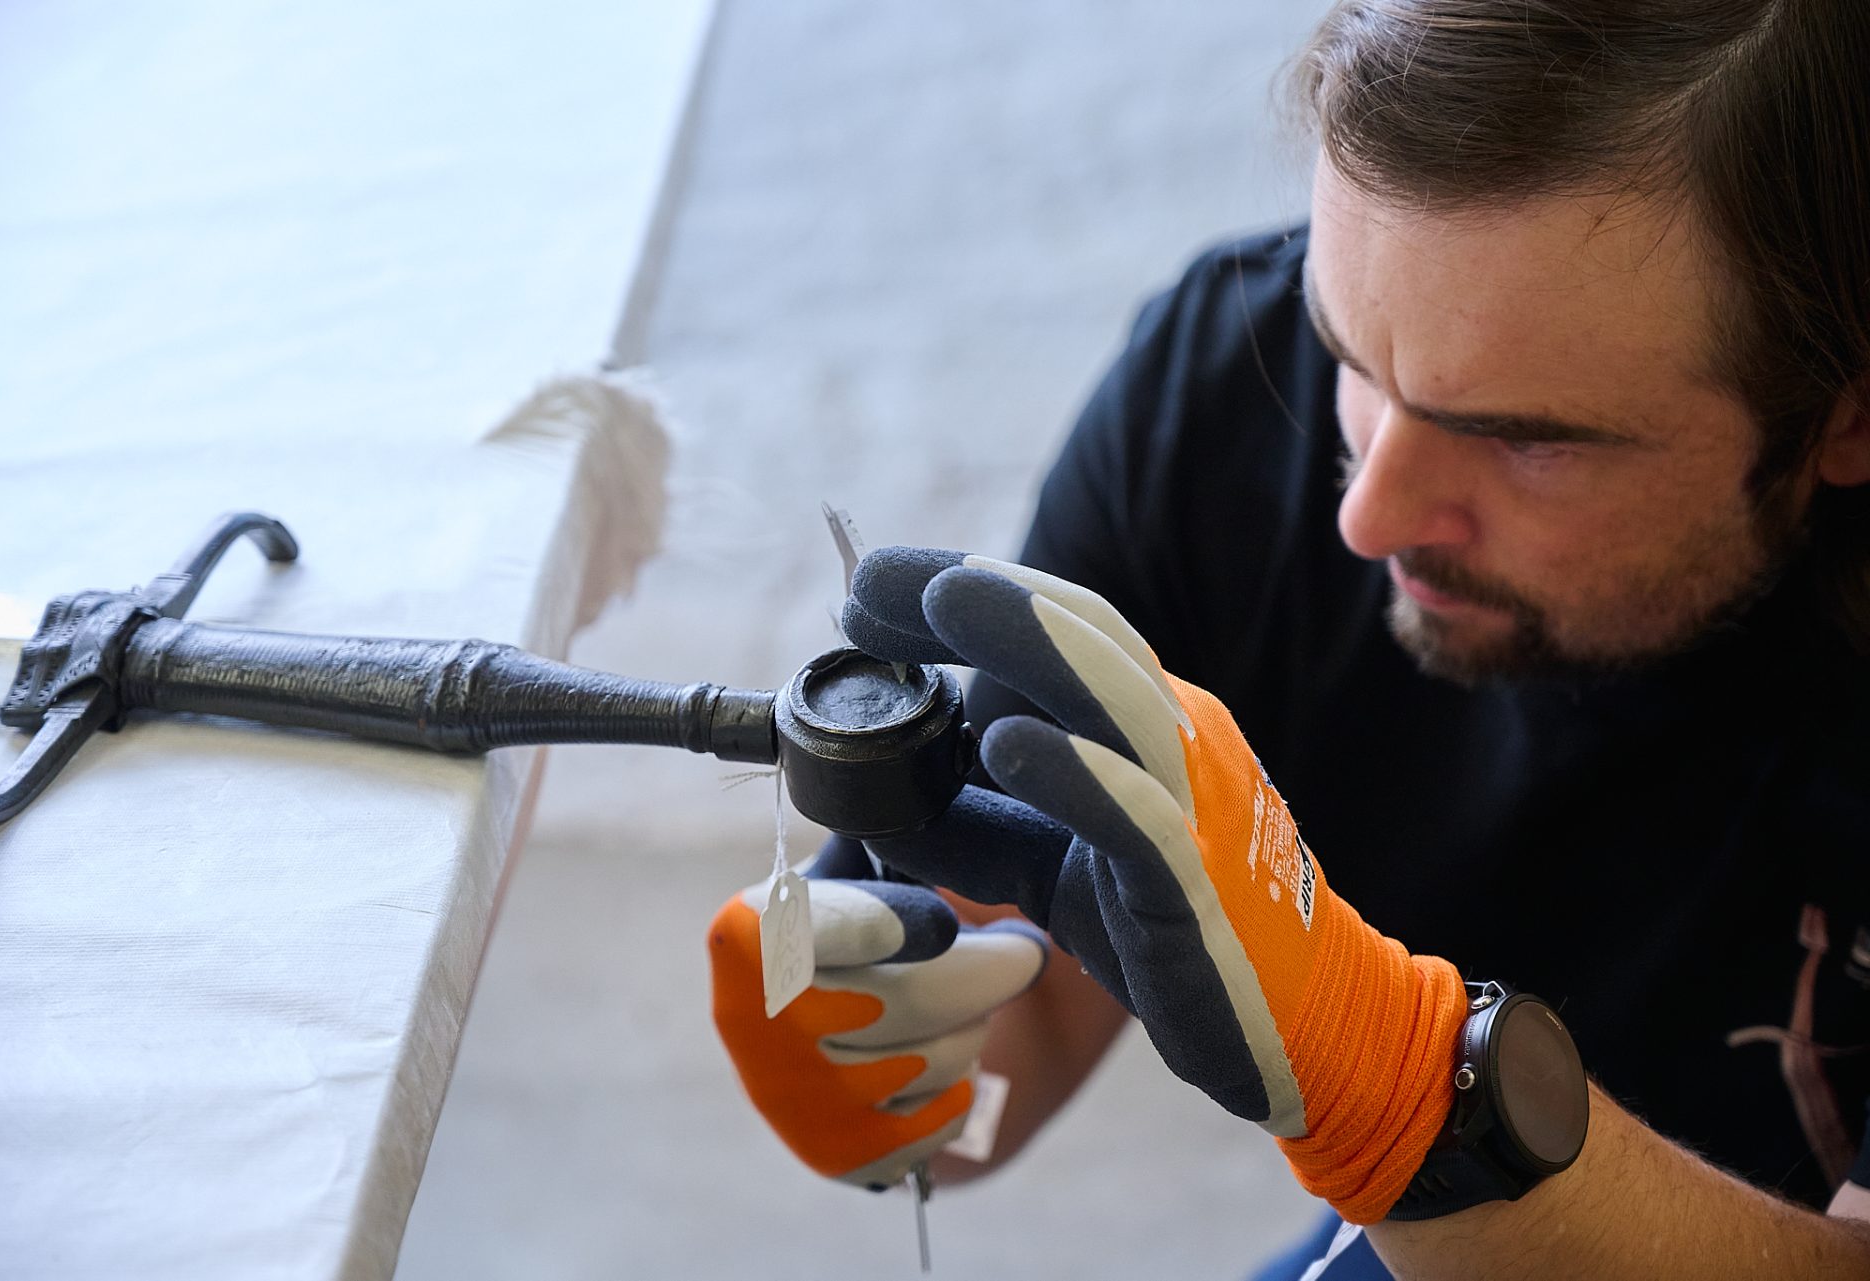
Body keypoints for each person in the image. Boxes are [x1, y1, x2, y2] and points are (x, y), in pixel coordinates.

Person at [708, 1, 1870, 1275]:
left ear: (1842, 418)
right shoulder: (1222, 392)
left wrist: (1400, 1093)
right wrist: (891, 1069)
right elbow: (1010, 1061)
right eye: (1353, 357)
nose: (1367, 513)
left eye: (1527, 439)